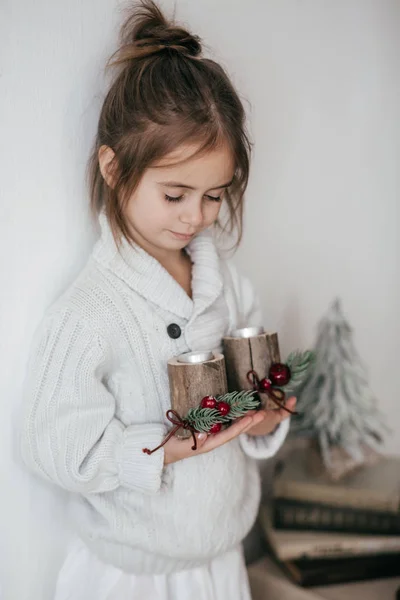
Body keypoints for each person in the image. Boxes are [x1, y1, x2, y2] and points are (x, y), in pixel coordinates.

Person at [20, 1, 296, 598]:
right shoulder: (89, 313)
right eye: (175, 195)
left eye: (214, 196)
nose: (196, 217)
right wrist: (163, 449)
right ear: (114, 169)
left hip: (221, 560)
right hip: (130, 575)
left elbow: (252, 395)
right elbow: (53, 448)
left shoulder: (227, 285)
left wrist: (265, 416)